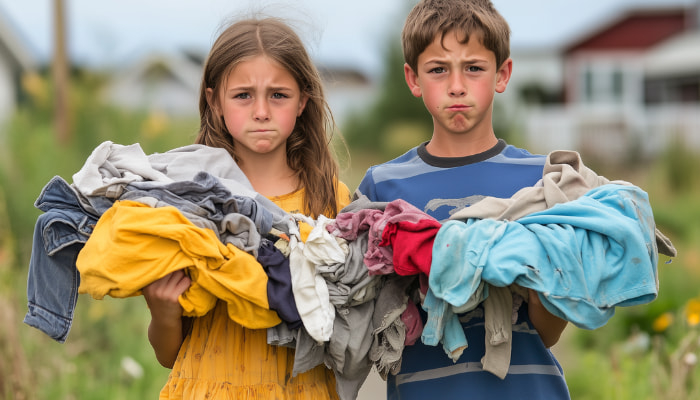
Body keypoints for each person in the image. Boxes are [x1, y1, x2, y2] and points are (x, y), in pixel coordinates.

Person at [355, 0, 571, 398]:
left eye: (474, 67)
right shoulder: (382, 186)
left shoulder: (541, 179)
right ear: (413, 78)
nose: (457, 85)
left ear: (502, 74)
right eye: (438, 69)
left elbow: (550, 332)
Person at [142, 17, 350, 399]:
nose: (261, 111)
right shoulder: (186, 199)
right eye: (243, 95)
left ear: (303, 100)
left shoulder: (330, 200)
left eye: (278, 95)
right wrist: (162, 312)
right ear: (214, 101)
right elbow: (168, 354)